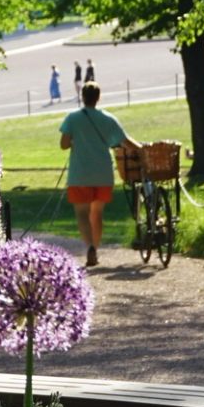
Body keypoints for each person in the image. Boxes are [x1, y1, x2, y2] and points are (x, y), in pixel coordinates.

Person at [60, 82, 127, 268]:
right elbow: (124, 140)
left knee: (82, 213)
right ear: (98, 97)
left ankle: (90, 247)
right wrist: (143, 150)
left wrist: (76, 142)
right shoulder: (108, 118)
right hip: (103, 173)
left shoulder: (72, 118)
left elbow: (64, 144)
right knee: (97, 213)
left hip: (80, 174)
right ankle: (95, 248)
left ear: (82, 96)